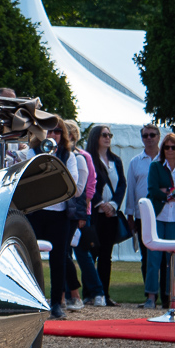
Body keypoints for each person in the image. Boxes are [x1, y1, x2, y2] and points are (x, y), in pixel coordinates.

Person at [27, 124, 73, 319]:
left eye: (58, 131)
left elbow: (73, 184)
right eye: (50, 131)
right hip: (35, 211)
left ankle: (56, 303)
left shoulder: (69, 155)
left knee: (59, 259)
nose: (53, 135)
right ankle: (31, 301)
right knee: (30, 257)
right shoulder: (31, 151)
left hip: (59, 213)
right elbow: (29, 181)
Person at [144, 132, 175, 308]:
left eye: (173, 147)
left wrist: (169, 191)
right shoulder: (155, 167)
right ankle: (150, 297)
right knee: (153, 259)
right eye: (167, 147)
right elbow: (153, 190)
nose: (170, 150)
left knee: (174, 261)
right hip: (158, 216)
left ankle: (172, 297)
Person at [62, 120, 104, 310]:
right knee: (65, 255)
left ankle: (97, 292)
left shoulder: (83, 156)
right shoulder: (60, 155)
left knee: (82, 254)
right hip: (64, 212)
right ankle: (67, 294)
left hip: (79, 213)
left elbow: (90, 187)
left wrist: (82, 213)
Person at [86, 123, 126, 307]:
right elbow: (89, 185)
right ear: (96, 137)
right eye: (104, 134)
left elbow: (122, 186)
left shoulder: (116, 160)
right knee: (91, 253)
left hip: (111, 214)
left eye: (110, 134)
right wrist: (101, 204)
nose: (108, 137)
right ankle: (90, 293)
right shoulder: (89, 159)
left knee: (106, 255)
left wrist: (114, 205)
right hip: (95, 214)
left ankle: (105, 293)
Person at [125, 124, 164, 306]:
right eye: (146, 135)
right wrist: (130, 215)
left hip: (164, 214)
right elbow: (131, 189)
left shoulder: (167, 158)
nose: (149, 138)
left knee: (164, 257)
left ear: (158, 136)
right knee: (147, 257)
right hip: (142, 216)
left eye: (152, 135)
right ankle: (150, 295)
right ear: (142, 138)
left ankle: (167, 295)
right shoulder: (135, 161)